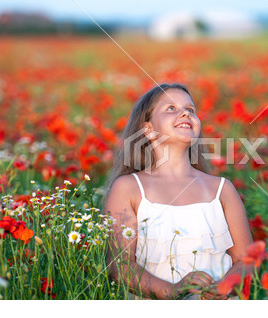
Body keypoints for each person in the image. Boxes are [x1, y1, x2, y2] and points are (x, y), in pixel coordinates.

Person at [103, 83, 253, 300]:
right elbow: (120, 265)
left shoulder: (221, 189)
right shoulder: (128, 187)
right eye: (171, 108)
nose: (185, 113)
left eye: (191, 110)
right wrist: (172, 290)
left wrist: (225, 288)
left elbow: (246, 259)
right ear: (148, 130)